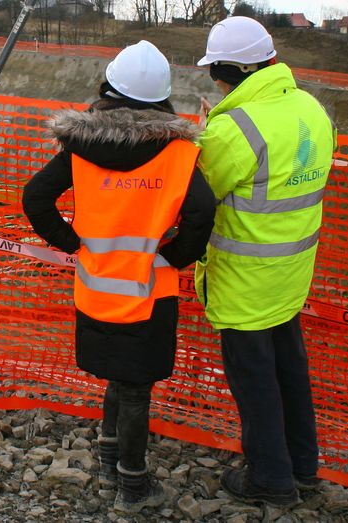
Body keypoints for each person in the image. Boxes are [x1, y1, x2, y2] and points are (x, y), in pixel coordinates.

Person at [22, 40, 215, 514]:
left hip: (94, 290)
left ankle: (110, 459)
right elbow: (201, 214)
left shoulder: (80, 148)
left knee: (118, 379)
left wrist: (72, 244)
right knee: (135, 388)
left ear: (108, 89)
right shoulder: (178, 154)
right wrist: (175, 258)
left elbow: (35, 198)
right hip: (149, 295)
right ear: (162, 98)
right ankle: (133, 485)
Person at [194, 16, 336, 507]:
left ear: (231, 71)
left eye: (215, 71)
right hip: (291, 273)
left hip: (244, 282)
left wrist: (206, 136)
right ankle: (303, 467)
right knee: (290, 371)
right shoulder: (311, 108)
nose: (215, 80)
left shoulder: (233, 128)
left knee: (254, 383)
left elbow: (200, 194)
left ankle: (271, 480)